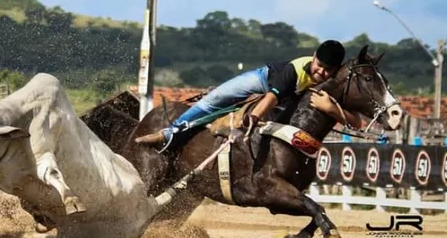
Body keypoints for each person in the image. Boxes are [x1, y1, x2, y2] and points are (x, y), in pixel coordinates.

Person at [135, 40, 363, 149]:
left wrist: (331, 108)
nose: (321, 72)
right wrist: (252, 120)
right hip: (262, 81)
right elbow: (271, 98)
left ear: (336, 70)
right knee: (213, 101)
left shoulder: (330, 86)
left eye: (328, 70)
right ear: (313, 57)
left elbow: (357, 122)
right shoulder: (293, 70)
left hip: (284, 101)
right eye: (319, 65)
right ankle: (168, 133)